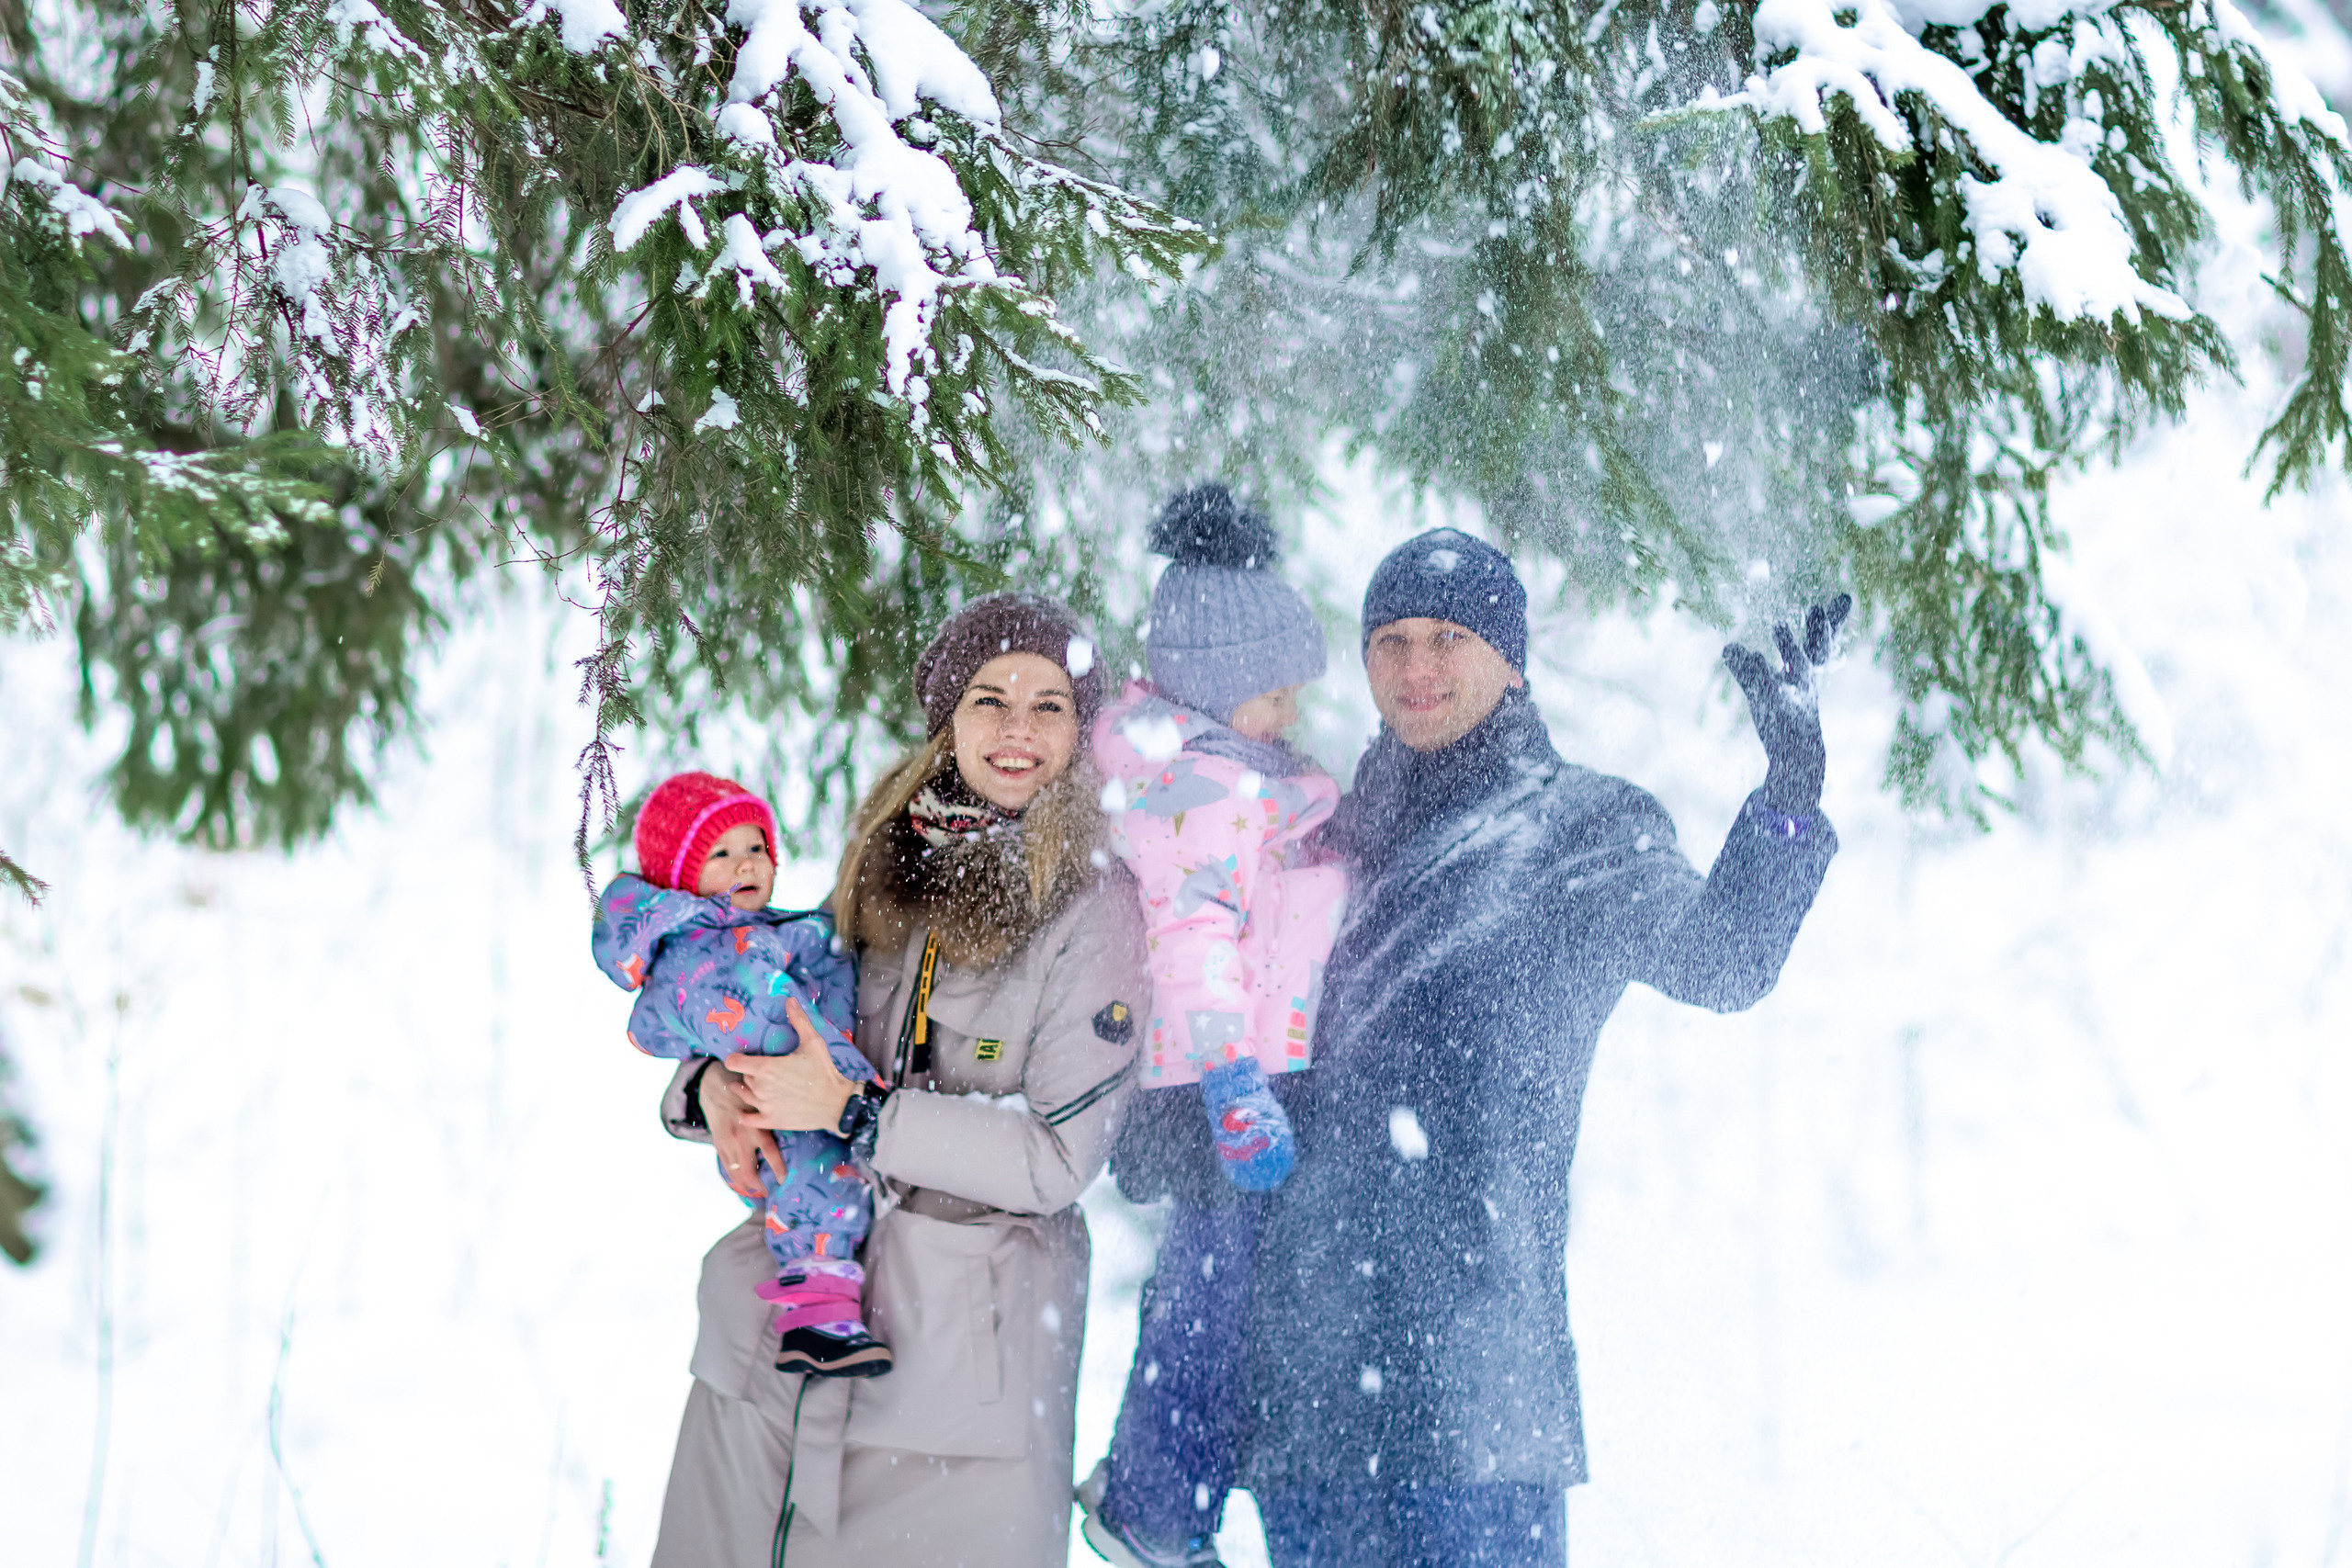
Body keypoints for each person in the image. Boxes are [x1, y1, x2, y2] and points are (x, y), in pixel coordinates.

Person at [1238, 529, 1848, 1566]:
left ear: (1510, 655)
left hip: (1479, 1381)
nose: (1415, 668)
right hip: (1312, 1383)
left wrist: (1787, 799)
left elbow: (1723, 962)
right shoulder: (1320, 837)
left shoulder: (1583, 830)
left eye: (1446, 638)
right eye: (1388, 641)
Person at [647, 593, 1150, 1567]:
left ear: (1080, 731)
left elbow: (1057, 1157)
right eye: (988, 698)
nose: (1016, 729)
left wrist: (860, 1116)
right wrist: (709, 1084)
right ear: (945, 720)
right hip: (783, 1337)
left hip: (959, 1372)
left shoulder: (1097, 908)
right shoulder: (887, 856)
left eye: (1049, 704)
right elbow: (786, 1005)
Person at [1077, 485, 1347, 1567]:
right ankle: (1148, 1507)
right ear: (1222, 687)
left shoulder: (1224, 778)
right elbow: (1191, 940)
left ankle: (1153, 1490)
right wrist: (1235, 1081)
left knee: (1218, 1295)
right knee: (1213, 1303)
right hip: (1216, 1088)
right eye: (1273, 695)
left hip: (1236, 1082)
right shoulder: (1203, 794)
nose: (1288, 712)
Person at [591, 771, 889, 1377]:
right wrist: (862, 1092)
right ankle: (816, 1318)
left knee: (823, 1178)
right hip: (793, 1106)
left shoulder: (745, 932)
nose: (746, 862)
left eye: (755, 847)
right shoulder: (700, 953)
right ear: (682, 876)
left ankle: (823, 1306)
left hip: (795, 1095)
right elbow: (768, 1019)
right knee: (819, 1183)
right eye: (721, 853)